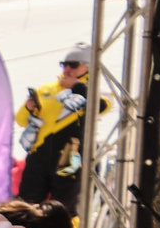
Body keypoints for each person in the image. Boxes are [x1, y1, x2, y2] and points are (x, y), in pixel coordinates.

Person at [18, 43, 104, 206]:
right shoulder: (46, 89)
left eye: (73, 65)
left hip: (69, 159)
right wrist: (27, 109)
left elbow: (100, 107)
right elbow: (20, 120)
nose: (67, 69)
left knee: (65, 207)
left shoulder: (94, 91)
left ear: (88, 67)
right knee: (25, 204)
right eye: (64, 64)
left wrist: (77, 87)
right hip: (39, 157)